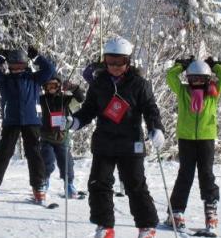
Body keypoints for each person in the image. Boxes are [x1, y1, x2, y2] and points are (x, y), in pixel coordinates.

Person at [70, 37, 164, 238]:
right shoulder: (99, 84)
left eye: (119, 62)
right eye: (109, 61)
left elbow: (150, 109)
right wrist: (76, 121)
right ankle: (105, 226)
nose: (114, 66)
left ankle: (147, 227)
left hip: (130, 143)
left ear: (128, 61)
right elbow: (89, 109)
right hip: (104, 142)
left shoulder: (139, 84)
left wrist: (156, 128)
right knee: (98, 183)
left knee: (135, 185)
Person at [164, 56, 221, 236]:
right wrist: (181, 65)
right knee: (185, 175)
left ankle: (211, 213)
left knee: (206, 174)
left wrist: (216, 65)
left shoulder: (213, 93)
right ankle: (176, 212)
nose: (198, 82)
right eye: (193, 79)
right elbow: (170, 77)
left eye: (202, 79)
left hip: (206, 139)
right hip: (186, 138)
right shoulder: (182, 91)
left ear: (208, 79)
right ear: (188, 79)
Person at [0, 46, 55, 205]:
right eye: (14, 65)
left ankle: (39, 188)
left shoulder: (34, 79)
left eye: (20, 65)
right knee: (3, 153)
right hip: (11, 121)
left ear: (26, 64)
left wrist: (37, 57)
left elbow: (50, 70)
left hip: (32, 121)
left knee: (34, 154)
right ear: (9, 65)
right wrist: (0, 56)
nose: (17, 68)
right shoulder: (4, 80)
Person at [39, 75, 86, 197]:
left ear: (59, 86)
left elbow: (80, 99)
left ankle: (69, 184)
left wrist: (73, 88)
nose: (51, 88)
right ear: (45, 87)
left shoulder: (65, 100)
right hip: (46, 137)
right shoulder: (42, 100)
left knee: (66, 162)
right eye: (48, 86)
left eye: (54, 85)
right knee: (47, 160)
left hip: (62, 137)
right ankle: (43, 182)